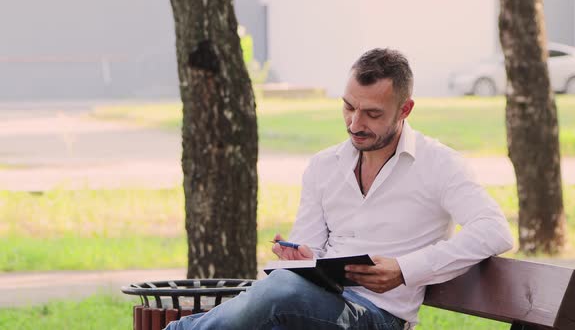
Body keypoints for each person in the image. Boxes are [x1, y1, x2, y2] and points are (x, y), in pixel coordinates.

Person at [166, 48, 514, 330]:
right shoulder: (324, 166)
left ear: (405, 109)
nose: (355, 123)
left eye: (372, 114)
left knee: (278, 293)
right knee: (279, 296)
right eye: (349, 107)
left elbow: (494, 230)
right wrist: (306, 259)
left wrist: (405, 269)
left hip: (378, 318)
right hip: (318, 302)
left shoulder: (438, 164)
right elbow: (310, 246)